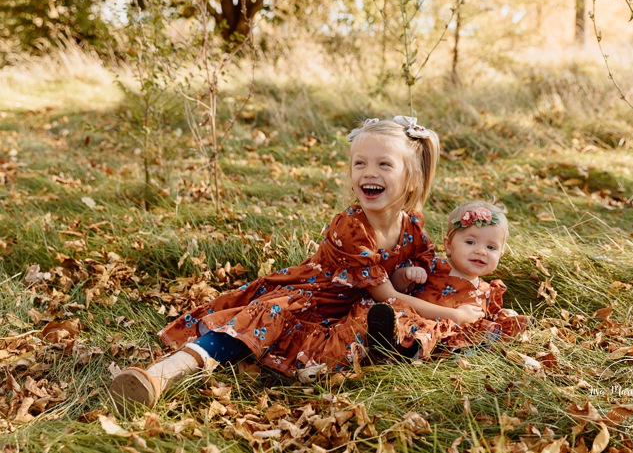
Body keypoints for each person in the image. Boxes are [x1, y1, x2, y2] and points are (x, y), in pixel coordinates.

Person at [109, 116, 478, 413]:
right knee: (263, 318)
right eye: (359, 163)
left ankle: (393, 346)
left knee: (381, 317)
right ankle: (162, 375)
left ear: (411, 177)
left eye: (384, 164)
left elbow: (422, 263)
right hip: (314, 298)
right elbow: (386, 293)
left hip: (357, 306)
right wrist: (453, 316)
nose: (369, 172)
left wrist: (409, 272)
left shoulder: (411, 223)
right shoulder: (351, 227)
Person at [367, 201, 532, 359]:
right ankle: (387, 341)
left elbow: (490, 316)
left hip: (449, 337)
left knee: (479, 336)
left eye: (491, 247)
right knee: (400, 316)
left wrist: (506, 315)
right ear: (448, 245)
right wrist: (405, 275)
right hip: (420, 320)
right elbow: (396, 287)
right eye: (470, 242)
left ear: (500, 255)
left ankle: (413, 353)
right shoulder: (433, 266)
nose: (481, 251)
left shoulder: (488, 291)